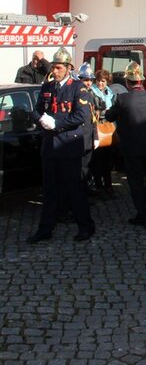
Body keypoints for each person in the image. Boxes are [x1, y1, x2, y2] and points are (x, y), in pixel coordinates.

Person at [27, 48, 95, 243]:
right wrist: (41, 120)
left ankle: (86, 226)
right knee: (49, 190)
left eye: (58, 68)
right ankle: (45, 229)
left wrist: (57, 124)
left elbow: (80, 116)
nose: (55, 71)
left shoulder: (78, 88)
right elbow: (36, 110)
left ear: (68, 68)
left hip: (68, 145)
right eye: (54, 68)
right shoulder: (47, 87)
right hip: (49, 145)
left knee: (74, 189)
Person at [105, 62, 146, 227]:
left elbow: (109, 116)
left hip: (131, 148)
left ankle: (142, 213)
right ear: (142, 81)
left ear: (127, 82)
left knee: (136, 181)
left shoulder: (123, 98)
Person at [76, 63, 102, 192]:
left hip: (88, 137)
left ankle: (85, 189)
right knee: (79, 169)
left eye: (90, 80)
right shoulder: (75, 94)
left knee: (86, 166)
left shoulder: (90, 95)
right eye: (86, 80)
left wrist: (95, 136)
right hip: (78, 137)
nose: (88, 83)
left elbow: (93, 118)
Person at [90, 69, 116, 195]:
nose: (100, 83)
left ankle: (108, 185)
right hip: (97, 129)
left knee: (108, 161)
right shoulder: (92, 92)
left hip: (108, 128)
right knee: (97, 161)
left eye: (103, 81)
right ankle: (99, 186)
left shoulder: (109, 92)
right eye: (99, 81)